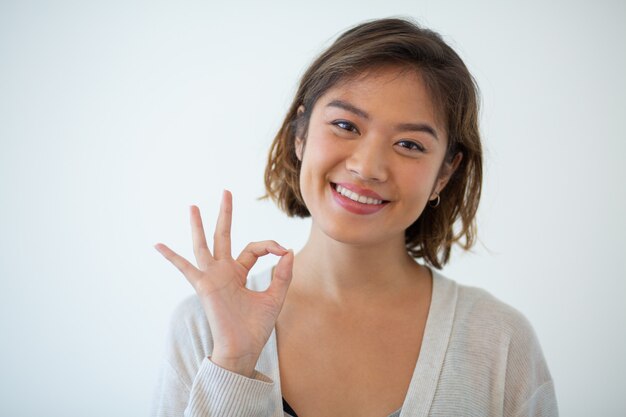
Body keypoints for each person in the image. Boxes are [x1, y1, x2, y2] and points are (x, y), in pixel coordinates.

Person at [151, 18, 558, 417]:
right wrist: (233, 366)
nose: (368, 167)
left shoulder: (501, 342)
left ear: (445, 173)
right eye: (345, 125)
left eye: (409, 144)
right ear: (300, 133)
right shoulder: (204, 326)